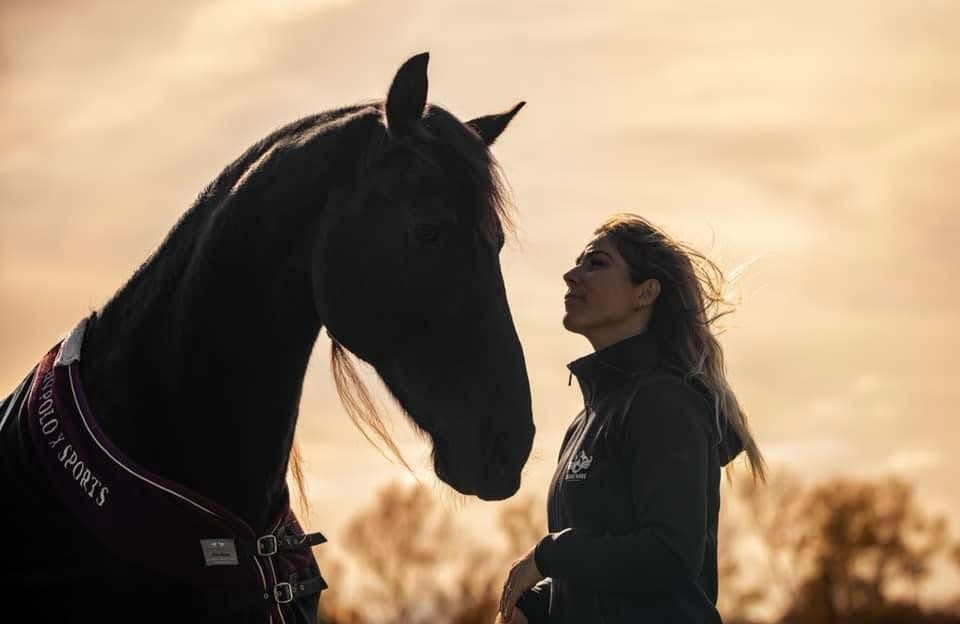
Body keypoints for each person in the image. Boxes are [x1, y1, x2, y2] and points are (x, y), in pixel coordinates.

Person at [496, 214, 766, 624]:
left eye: (596, 263)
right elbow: (610, 574)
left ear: (645, 293)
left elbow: (669, 556)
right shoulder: (587, 420)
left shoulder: (666, 403)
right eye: (577, 262)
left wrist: (551, 554)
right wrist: (534, 607)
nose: (572, 275)